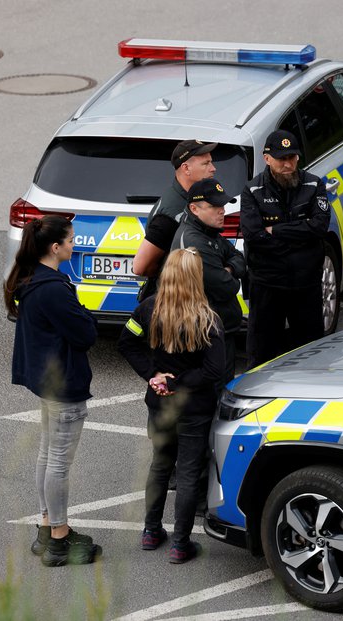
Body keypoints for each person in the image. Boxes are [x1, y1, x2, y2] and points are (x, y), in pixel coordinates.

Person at [3, 215, 102, 567]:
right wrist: (86, 315)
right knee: (58, 463)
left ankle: (47, 527)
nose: (75, 245)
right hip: (64, 387)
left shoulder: (31, 280)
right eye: (71, 240)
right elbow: (87, 334)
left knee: (48, 456)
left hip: (45, 384)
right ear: (55, 247)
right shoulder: (54, 290)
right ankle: (59, 539)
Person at [118, 248, 225, 564]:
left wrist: (154, 377)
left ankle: (150, 531)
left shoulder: (148, 310)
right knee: (190, 473)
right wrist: (178, 383)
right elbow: (214, 370)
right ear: (196, 278)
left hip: (160, 406)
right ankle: (181, 544)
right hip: (194, 409)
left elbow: (127, 342)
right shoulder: (207, 319)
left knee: (160, 466)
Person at [240, 129, 331, 368]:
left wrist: (278, 231)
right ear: (267, 158)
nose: (288, 163)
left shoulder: (313, 184)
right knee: (261, 356)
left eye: (292, 157)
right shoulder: (252, 191)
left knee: (311, 355)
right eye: (281, 159)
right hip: (268, 285)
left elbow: (319, 227)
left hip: (306, 285)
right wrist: (301, 237)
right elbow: (254, 236)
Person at [172, 178, 245, 383]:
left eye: (222, 205)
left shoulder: (210, 233)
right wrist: (233, 275)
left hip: (220, 329)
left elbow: (239, 259)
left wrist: (229, 268)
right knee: (214, 393)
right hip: (205, 334)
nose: (221, 211)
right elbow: (227, 287)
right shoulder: (195, 241)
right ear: (194, 208)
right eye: (214, 206)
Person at [133, 139, 218, 301]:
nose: (213, 169)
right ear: (186, 168)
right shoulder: (171, 213)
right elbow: (140, 267)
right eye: (206, 164)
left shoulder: (192, 200)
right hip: (173, 302)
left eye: (211, 162)